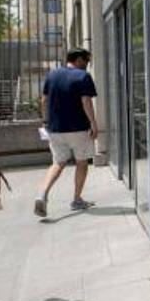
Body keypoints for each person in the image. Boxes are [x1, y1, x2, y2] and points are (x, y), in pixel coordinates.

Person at [34, 48, 99, 217]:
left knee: (58, 162)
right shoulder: (83, 76)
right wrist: (93, 123)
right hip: (78, 129)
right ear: (78, 59)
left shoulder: (52, 75)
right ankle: (77, 199)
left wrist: (45, 120)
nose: (87, 65)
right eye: (86, 61)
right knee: (82, 162)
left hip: (55, 129)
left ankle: (42, 195)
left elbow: (43, 100)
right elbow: (86, 101)